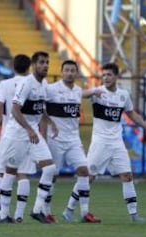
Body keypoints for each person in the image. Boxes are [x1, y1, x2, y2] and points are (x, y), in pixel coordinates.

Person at [81, 63, 146, 223]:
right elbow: (81, 94)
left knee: (127, 176)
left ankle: (134, 216)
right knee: (88, 177)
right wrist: (92, 91)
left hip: (117, 143)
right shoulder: (98, 92)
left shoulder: (123, 94)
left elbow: (131, 114)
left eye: (109, 75)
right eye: (103, 75)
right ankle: (70, 209)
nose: (105, 77)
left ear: (116, 77)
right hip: (100, 142)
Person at [0, 51, 58, 223]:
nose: (45, 65)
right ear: (33, 65)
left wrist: (50, 122)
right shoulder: (26, 83)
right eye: (42, 62)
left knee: (50, 169)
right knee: (10, 171)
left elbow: (39, 109)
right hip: (16, 132)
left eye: (47, 62)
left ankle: (37, 210)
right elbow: (15, 110)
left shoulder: (44, 84)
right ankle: (3, 215)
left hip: (32, 132)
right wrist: (30, 129)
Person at [0, 54, 37, 223]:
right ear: (29, 67)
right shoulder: (33, 84)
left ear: (13, 66)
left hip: (10, 134)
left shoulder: (5, 84)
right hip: (29, 134)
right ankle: (19, 216)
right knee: (22, 174)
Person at [44, 60, 101, 223]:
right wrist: (48, 124)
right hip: (55, 139)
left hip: (73, 140)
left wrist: (96, 90)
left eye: (72, 70)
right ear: (62, 72)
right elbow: (40, 105)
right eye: (67, 70)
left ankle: (84, 213)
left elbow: (84, 93)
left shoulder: (77, 90)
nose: (69, 73)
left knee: (84, 171)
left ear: (76, 73)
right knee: (52, 176)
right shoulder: (51, 89)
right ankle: (46, 211)